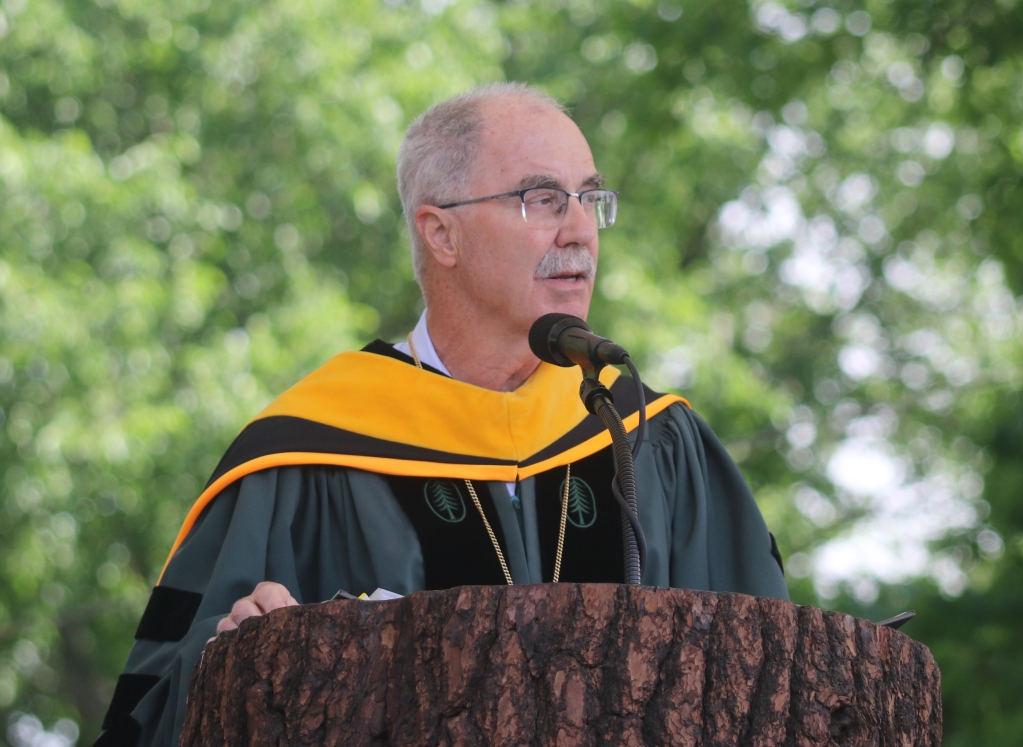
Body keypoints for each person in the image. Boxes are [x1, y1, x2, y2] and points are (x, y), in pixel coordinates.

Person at [94, 82, 788, 747]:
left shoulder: (652, 439)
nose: (580, 229)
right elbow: (155, 711)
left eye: (590, 197)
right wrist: (239, 663)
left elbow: (773, 681)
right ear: (442, 235)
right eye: (543, 198)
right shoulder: (308, 454)